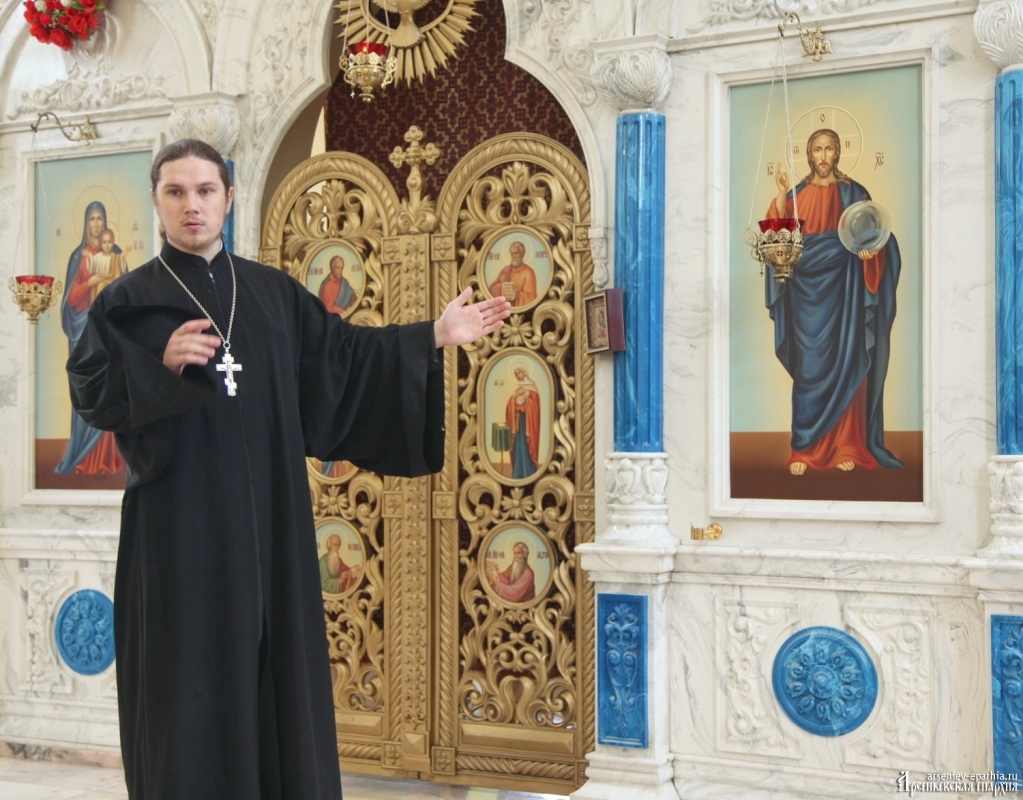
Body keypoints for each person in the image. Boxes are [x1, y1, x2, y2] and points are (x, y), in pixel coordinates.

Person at [65, 139, 510, 800]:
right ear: (156, 202)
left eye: (205, 190)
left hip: (271, 525)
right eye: (176, 192)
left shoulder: (272, 293)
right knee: (187, 682)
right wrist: (157, 363)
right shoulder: (126, 302)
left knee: (275, 679)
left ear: (229, 198)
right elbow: (91, 393)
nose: (192, 205)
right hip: (178, 535)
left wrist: (432, 335)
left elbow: (343, 357)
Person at [765, 128, 902, 476]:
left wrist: (872, 253)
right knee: (809, 370)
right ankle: (804, 449)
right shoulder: (795, 196)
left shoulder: (855, 193)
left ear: (837, 153)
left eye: (829, 149)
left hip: (847, 294)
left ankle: (847, 446)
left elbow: (873, 232)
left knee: (848, 361)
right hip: (806, 299)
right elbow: (779, 240)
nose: (823, 156)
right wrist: (780, 195)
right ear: (809, 155)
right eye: (817, 150)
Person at [56, 202, 125, 476]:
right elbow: (71, 300)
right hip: (84, 332)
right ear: (86, 223)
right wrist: (91, 282)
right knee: (88, 392)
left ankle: (112, 459)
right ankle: (83, 458)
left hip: (110, 332)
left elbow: (127, 290)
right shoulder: (78, 257)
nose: (96, 224)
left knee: (113, 389)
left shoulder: (116, 254)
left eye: (100, 219)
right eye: (92, 219)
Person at [506, 363, 541, 479]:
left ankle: (529, 471)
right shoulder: (516, 387)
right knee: (517, 446)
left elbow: (535, 407)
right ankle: (518, 471)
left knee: (526, 446)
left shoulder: (532, 387)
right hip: (517, 422)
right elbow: (509, 404)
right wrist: (515, 398)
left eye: (519, 373)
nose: (517, 375)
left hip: (528, 423)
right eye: (516, 374)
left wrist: (527, 396)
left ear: (524, 372)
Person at [488, 240, 537, 306]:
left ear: (522, 254)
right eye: (512, 254)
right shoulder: (505, 270)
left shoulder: (529, 272)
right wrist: (501, 285)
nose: (514, 256)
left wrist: (514, 292)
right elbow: (491, 289)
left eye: (516, 253)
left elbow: (531, 298)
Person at [87, 229, 130, 302]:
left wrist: (124, 255)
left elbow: (120, 260)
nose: (107, 245)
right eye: (104, 242)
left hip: (112, 281)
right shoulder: (98, 257)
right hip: (100, 280)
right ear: (101, 244)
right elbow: (92, 267)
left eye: (109, 242)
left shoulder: (115, 257)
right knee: (99, 287)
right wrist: (89, 257)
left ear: (113, 243)